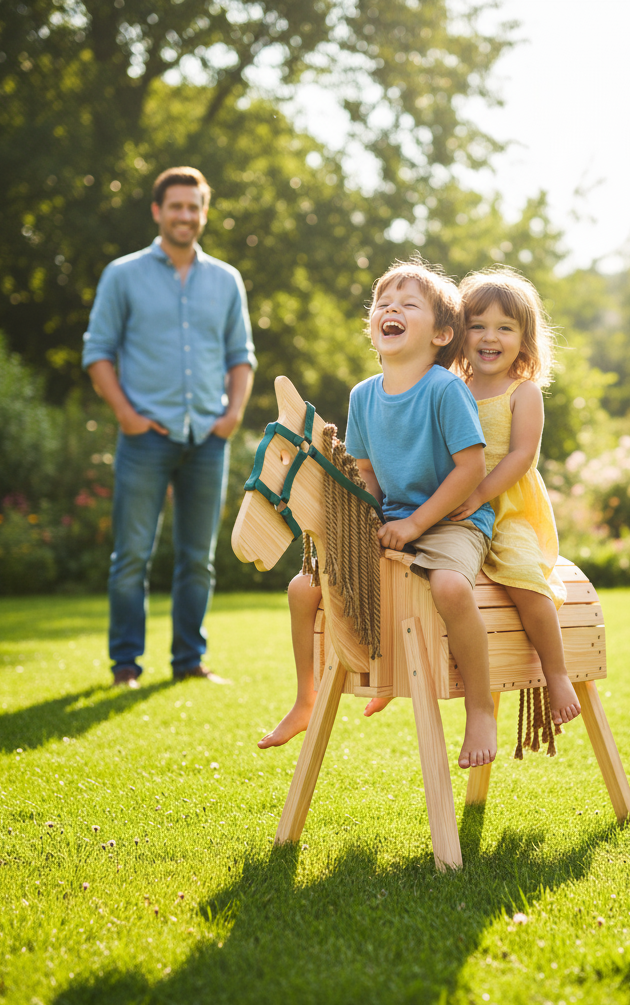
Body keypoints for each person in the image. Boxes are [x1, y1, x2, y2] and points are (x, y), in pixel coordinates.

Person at [259, 260, 498, 770]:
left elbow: (471, 469)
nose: (391, 309)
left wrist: (415, 525)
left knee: (449, 587)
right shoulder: (363, 395)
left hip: (453, 521)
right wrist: (359, 521)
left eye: (409, 304)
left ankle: (480, 708)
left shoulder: (444, 389)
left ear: (441, 334)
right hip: (392, 520)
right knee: (303, 588)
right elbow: (366, 474)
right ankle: (304, 699)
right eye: (383, 303)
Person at [82, 166, 256, 687]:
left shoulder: (226, 280)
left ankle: (189, 662)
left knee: (198, 559)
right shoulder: (123, 275)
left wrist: (232, 417)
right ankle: (125, 666)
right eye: (175, 206)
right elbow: (97, 352)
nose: (185, 215)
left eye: (193, 207)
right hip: (145, 438)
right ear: (158, 211)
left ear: (204, 213)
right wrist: (127, 416)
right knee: (131, 556)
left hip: (207, 438)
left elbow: (241, 357)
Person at [449, 267, 581, 726]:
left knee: (523, 574)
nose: (490, 337)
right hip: (455, 504)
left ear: (524, 340)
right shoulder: (450, 388)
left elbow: (523, 455)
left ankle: (556, 673)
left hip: (508, 507)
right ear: (459, 333)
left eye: (504, 328)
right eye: (477, 325)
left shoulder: (523, 393)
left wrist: (480, 494)